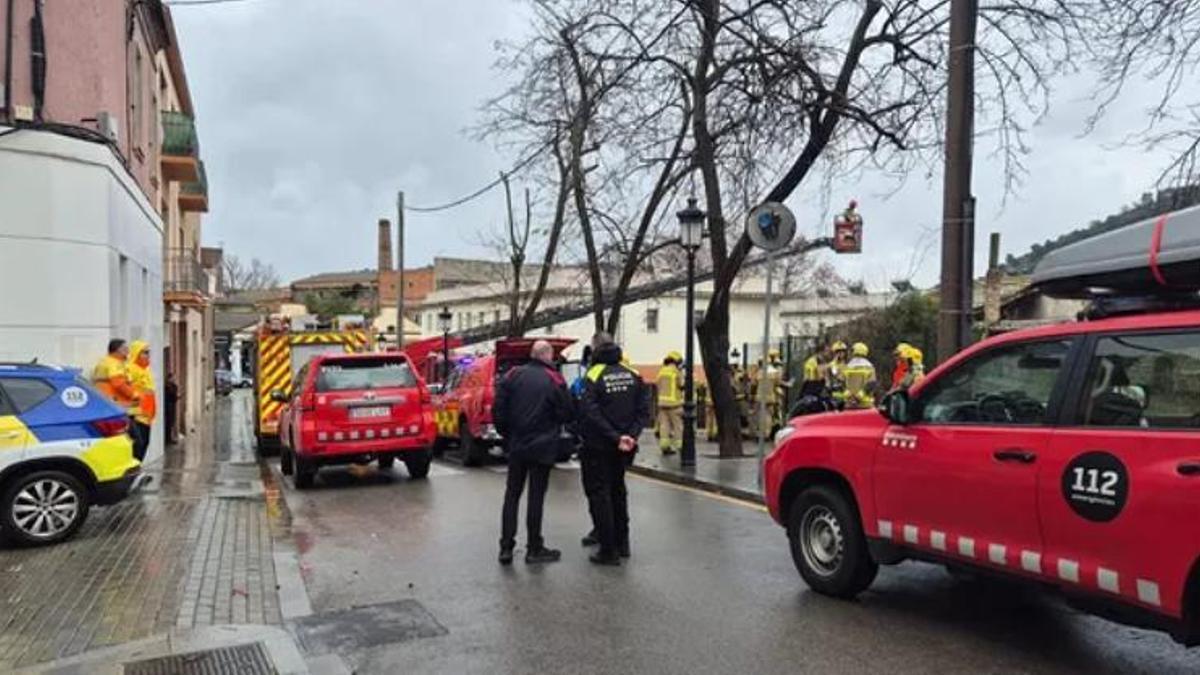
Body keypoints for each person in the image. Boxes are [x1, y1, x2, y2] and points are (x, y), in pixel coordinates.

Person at [493, 340, 575, 565]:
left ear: (532, 355)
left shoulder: (512, 375)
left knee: (512, 495)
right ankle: (534, 548)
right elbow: (568, 412)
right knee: (536, 497)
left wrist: (507, 435)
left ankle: (506, 547)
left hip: (517, 443)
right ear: (547, 355)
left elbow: (498, 409)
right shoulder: (554, 378)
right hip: (543, 443)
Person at [579, 333, 651, 565]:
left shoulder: (594, 375)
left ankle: (608, 550)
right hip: (626, 446)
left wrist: (614, 436)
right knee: (619, 492)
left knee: (600, 495)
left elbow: (590, 412)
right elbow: (643, 411)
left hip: (599, 446)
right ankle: (623, 544)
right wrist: (631, 436)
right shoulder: (634, 374)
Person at [92, 338, 139, 421]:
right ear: (116, 350)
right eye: (125, 348)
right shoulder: (113, 364)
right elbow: (119, 383)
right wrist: (134, 395)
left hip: (111, 404)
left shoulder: (109, 361)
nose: (128, 350)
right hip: (116, 404)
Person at [127, 340, 157, 461]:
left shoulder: (145, 370)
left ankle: (137, 468)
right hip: (136, 415)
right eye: (144, 352)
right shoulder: (130, 369)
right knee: (138, 446)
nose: (147, 355)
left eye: (148, 352)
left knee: (144, 443)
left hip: (146, 416)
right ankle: (133, 471)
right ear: (136, 353)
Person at [655, 351, 684, 455]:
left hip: (662, 403)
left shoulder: (661, 371)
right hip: (674, 404)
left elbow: (657, 385)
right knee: (678, 426)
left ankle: (665, 446)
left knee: (664, 426)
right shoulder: (676, 372)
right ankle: (680, 446)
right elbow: (681, 385)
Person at [842, 342, 878, 409]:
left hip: (849, 403)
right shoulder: (869, 367)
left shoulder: (847, 367)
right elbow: (872, 384)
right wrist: (860, 395)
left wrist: (849, 395)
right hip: (866, 404)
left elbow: (842, 383)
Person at [164, 371, 179, 445]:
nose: (173, 379)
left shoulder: (173, 386)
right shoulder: (167, 387)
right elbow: (172, 395)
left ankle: (170, 437)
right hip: (168, 407)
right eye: (172, 378)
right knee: (169, 422)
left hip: (171, 406)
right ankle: (168, 438)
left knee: (171, 422)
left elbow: (174, 396)